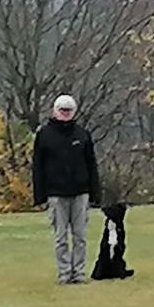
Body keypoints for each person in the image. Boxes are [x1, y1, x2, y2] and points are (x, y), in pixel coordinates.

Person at [32, 94, 101, 284]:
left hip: (80, 193)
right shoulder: (44, 135)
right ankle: (64, 273)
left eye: (68, 110)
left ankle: (79, 273)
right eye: (62, 110)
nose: (65, 113)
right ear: (55, 111)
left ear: (74, 112)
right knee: (60, 237)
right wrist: (40, 196)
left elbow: (91, 165)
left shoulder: (82, 135)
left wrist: (95, 193)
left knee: (80, 236)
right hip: (56, 194)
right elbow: (38, 167)